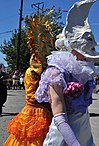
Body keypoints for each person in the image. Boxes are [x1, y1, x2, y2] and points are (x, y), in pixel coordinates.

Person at [35, 0, 99, 145]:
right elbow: (59, 117)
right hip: (64, 137)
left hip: (84, 131)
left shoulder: (84, 72)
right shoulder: (55, 73)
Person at [4, 14, 54, 146]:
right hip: (35, 113)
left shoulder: (48, 69)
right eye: (44, 43)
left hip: (47, 112)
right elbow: (33, 97)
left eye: (50, 43)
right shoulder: (32, 71)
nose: (48, 48)